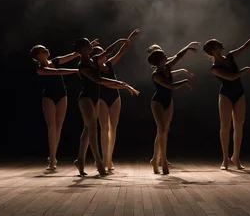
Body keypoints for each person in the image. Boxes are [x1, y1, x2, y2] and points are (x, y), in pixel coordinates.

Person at [203, 23, 250, 170]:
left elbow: (246, 45)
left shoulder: (230, 56)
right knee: (225, 127)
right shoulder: (215, 68)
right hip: (226, 95)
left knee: (239, 126)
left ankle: (236, 157)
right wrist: (245, 69)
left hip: (239, 93)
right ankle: (225, 158)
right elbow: (231, 78)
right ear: (213, 50)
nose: (221, 44)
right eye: (218, 43)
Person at [73, 38, 139, 176]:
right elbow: (99, 80)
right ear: (82, 50)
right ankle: (99, 162)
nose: (91, 45)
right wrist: (121, 83)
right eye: (88, 44)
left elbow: (108, 51)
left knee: (87, 130)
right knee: (93, 129)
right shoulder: (83, 65)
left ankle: (80, 159)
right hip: (86, 98)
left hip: (95, 98)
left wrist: (119, 41)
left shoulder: (94, 60)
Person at [30, 44, 89, 171]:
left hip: (62, 95)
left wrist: (84, 48)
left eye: (46, 48)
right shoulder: (40, 68)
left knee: (59, 126)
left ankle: (52, 157)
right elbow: (58, 72)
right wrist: (76, 71)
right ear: (38, 55)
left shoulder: (55, 61)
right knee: (51, 127)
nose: (47, 49)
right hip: (48, 97)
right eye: (43, 50)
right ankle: (52, 158)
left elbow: (72, 55)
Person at [93, 28, 141, 171]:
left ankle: (109, 160)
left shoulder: (108, 64)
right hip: (101, 97)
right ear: (96, 57)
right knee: (104, 128)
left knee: (113, 129)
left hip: (115, 97)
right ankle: (103, 160)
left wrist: (130, 36)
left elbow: (121, 51)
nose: (104, 56)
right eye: (100, 54)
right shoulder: (94, 68)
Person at [148, 42, 198, 174]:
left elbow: (178, 56)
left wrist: (187, 47)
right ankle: (163, 161)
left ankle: (155, 159)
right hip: (158, 102)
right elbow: (171, 86)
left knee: (163, 131)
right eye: (164, 56)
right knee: (162, 129)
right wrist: (185, 81)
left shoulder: (168, 67)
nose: (167, 57)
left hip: (168, 101)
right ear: (160, 60)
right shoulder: (155, 75)